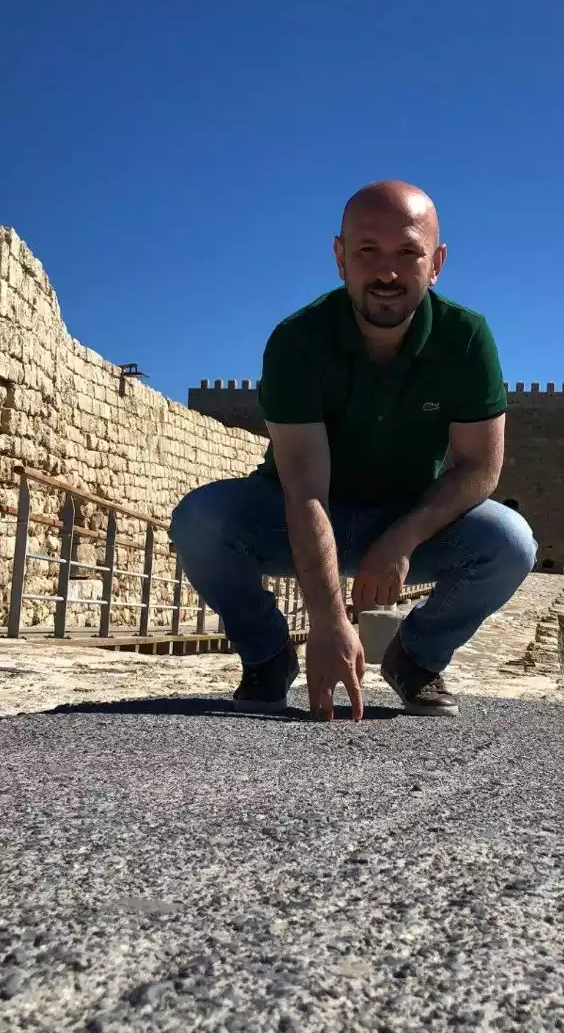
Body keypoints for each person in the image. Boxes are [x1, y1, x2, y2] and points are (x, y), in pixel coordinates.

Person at [170, 181, 537, 721]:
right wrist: (327, 622)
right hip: (298, 517)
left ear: (436, 264)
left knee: (510, 542)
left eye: (407, 252)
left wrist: (401, 539)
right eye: (368, 251)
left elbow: (480, 468)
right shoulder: (297, 342)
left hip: (408, 520)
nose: (387, 272)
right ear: (340, 258)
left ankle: (416, 659)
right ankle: (267, 655)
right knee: (199, 521)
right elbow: (304, 489)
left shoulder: (465, 339)